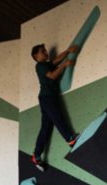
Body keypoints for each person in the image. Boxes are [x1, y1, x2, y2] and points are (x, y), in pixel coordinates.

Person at [30, 43, 80, 171]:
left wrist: (68, 51)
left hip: (46, 98)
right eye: (42, 51)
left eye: (45, 50)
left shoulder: (46, 64)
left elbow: (55, 60)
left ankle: (36, 155)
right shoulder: (40, 65)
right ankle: (70, 139)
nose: (46, 52)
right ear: (36, 56)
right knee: (57, 118)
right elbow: (52, 76)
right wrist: (64, 65)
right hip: (47, 98)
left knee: (45, 128)